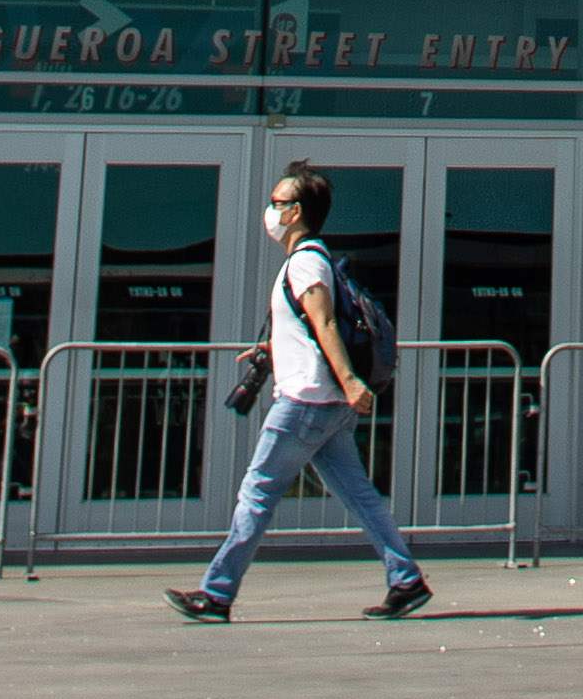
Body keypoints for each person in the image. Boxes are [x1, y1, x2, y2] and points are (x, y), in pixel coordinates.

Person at [171, 166, 427, 622]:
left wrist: (351, 382)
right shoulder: (311, 259)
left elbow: (325, 322)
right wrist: (275, 346)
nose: (270, 210)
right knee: (359, 494)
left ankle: (216, 593)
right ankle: (405, 580)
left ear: (295, 212)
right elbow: (309, 326)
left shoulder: (306, 260)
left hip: (306, 400)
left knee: (258, 491)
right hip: (324, 402)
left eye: (277, 201)